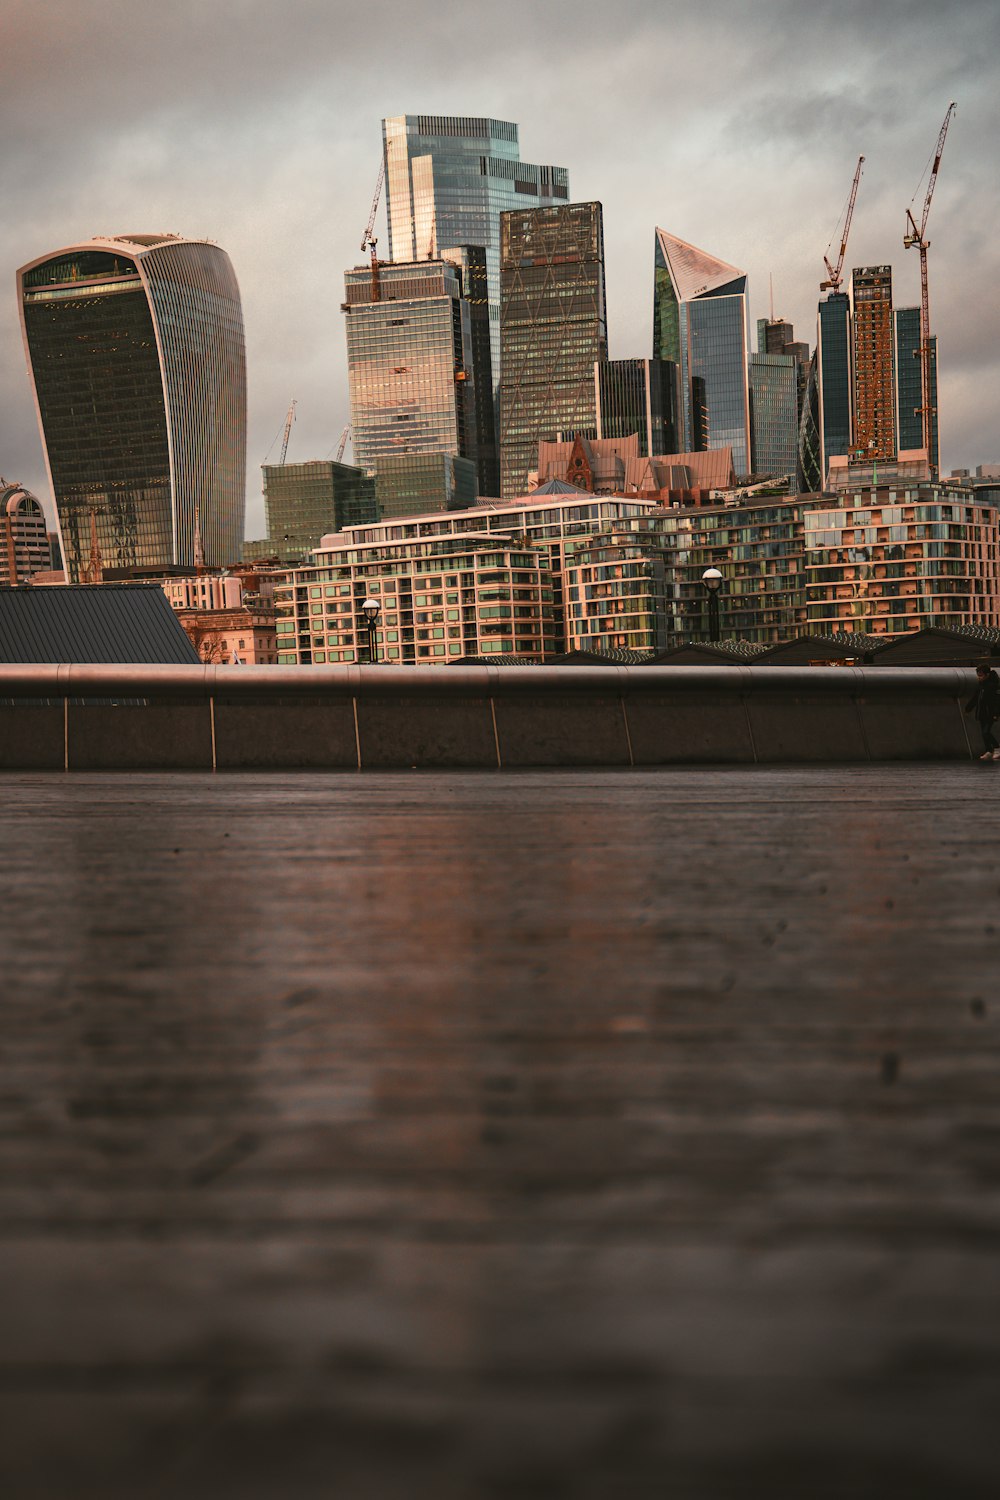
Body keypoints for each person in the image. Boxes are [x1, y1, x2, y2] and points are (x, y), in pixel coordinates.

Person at [965, 664, 1000, 760]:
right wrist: (968, 708)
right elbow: (976, 698)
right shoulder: (981, 686)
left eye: (981, 675)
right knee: (984, 733)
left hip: (990, 713)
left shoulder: (993, 686)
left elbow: (997, 701)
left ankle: (996, 748)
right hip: (982, 713)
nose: (979, 677)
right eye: (978, 675)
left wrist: (996, 714)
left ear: (987, 675)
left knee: (986, 732)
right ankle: (989, 750)